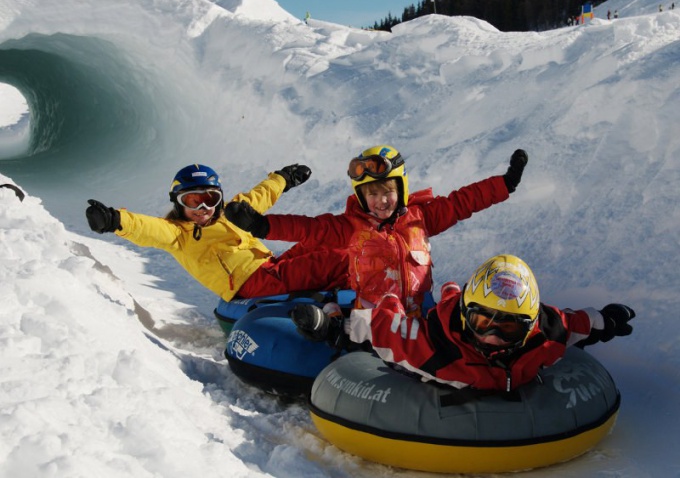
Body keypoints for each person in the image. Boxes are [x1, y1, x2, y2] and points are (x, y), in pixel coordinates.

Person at [225, 145, 526, 316]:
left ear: (402, 189)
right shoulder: (351, 228)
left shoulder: (422, 218)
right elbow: (309, 229)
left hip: (417, 317)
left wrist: (503, 184)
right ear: (361, 197)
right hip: (373, 321)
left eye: (387, 192)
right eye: (372, 194)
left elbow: (462, 202)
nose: (380, 201)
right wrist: (263, 225)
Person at [292, 254, 635, 391]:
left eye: (509, 327)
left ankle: (452, 291)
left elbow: (576, 324)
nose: (492, 336)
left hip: (462, 306)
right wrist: (331, 326)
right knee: (391, 304)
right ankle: (446, 296)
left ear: (530, 325)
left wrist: (606, 320)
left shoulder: (547, 333)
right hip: (438, 323)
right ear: (466, 315)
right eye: (482, 320)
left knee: (453, 296)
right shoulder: (432, 346)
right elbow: (382, 328)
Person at [85, 164, 349, 302]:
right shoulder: (179, 234)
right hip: (251, 284)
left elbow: (260, 196)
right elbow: (146, 228)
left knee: (327, 244)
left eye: (210, 199)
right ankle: (364, 294)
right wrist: (114, 219)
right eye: (192, 201)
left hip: (270, 267)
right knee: (335, 262)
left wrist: (284, 177)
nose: (202, 208)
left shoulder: (228, 214)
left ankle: (378, 273)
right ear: (178, 203)